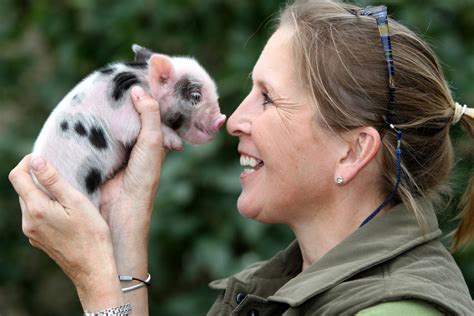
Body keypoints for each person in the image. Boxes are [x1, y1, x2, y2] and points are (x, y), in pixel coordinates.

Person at [8, 0, 474, 314]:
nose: (233, 120)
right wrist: (124, 225)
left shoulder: (395, 308)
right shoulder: (279, 289)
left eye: (268, 98)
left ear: (353, 152)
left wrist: (97, 281)